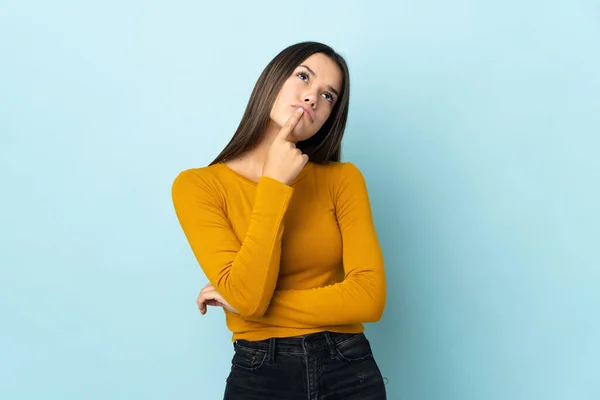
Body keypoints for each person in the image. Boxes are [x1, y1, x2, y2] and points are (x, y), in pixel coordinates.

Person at [171, 41, 387, 399]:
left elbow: (369, 298)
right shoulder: (198, 187)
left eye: (328, 95)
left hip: (349, 367)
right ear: (273, 80)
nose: (313, 98)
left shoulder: (342, 179)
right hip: (260, 373)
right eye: (303, 76)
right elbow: (248, 298)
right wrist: (274, 184)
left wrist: (247, 307)